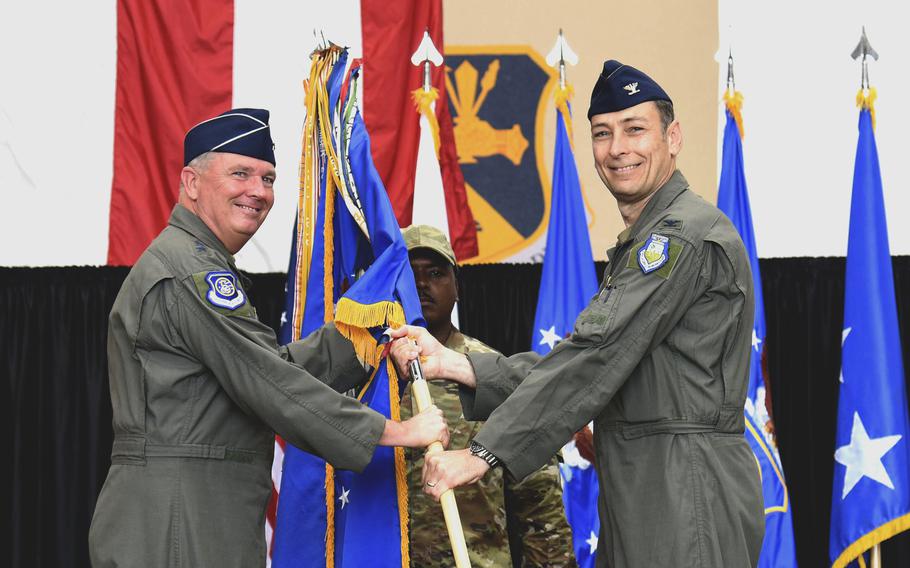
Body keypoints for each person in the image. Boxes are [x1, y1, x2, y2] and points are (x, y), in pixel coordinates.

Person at [391, 61, 765, 568]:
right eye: (603, 133)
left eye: (636, 129)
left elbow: (596, 356)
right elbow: (591, 360)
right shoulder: (647, 240)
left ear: (673, 137)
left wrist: (481, 455)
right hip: (646, 485)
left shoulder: (679, 236)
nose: (617, 149)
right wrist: (457, 364)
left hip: (683, 489)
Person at [88, 108, 448, 567]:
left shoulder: (197, 261)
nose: (259, 192)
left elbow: (263, 368)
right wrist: (394, 431)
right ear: (192, 183)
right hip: (177, 519)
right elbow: (266, 382)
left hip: (194, 511)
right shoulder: (190, 271)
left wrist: (364, 332)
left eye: (269, 178)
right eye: (241, 174)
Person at [398, 225, 575, 567]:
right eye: (408, 273)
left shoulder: (488, 374)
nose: (421, 284)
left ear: (457, 288)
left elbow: (540, 506)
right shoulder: (365, 380)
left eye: (435, 273)